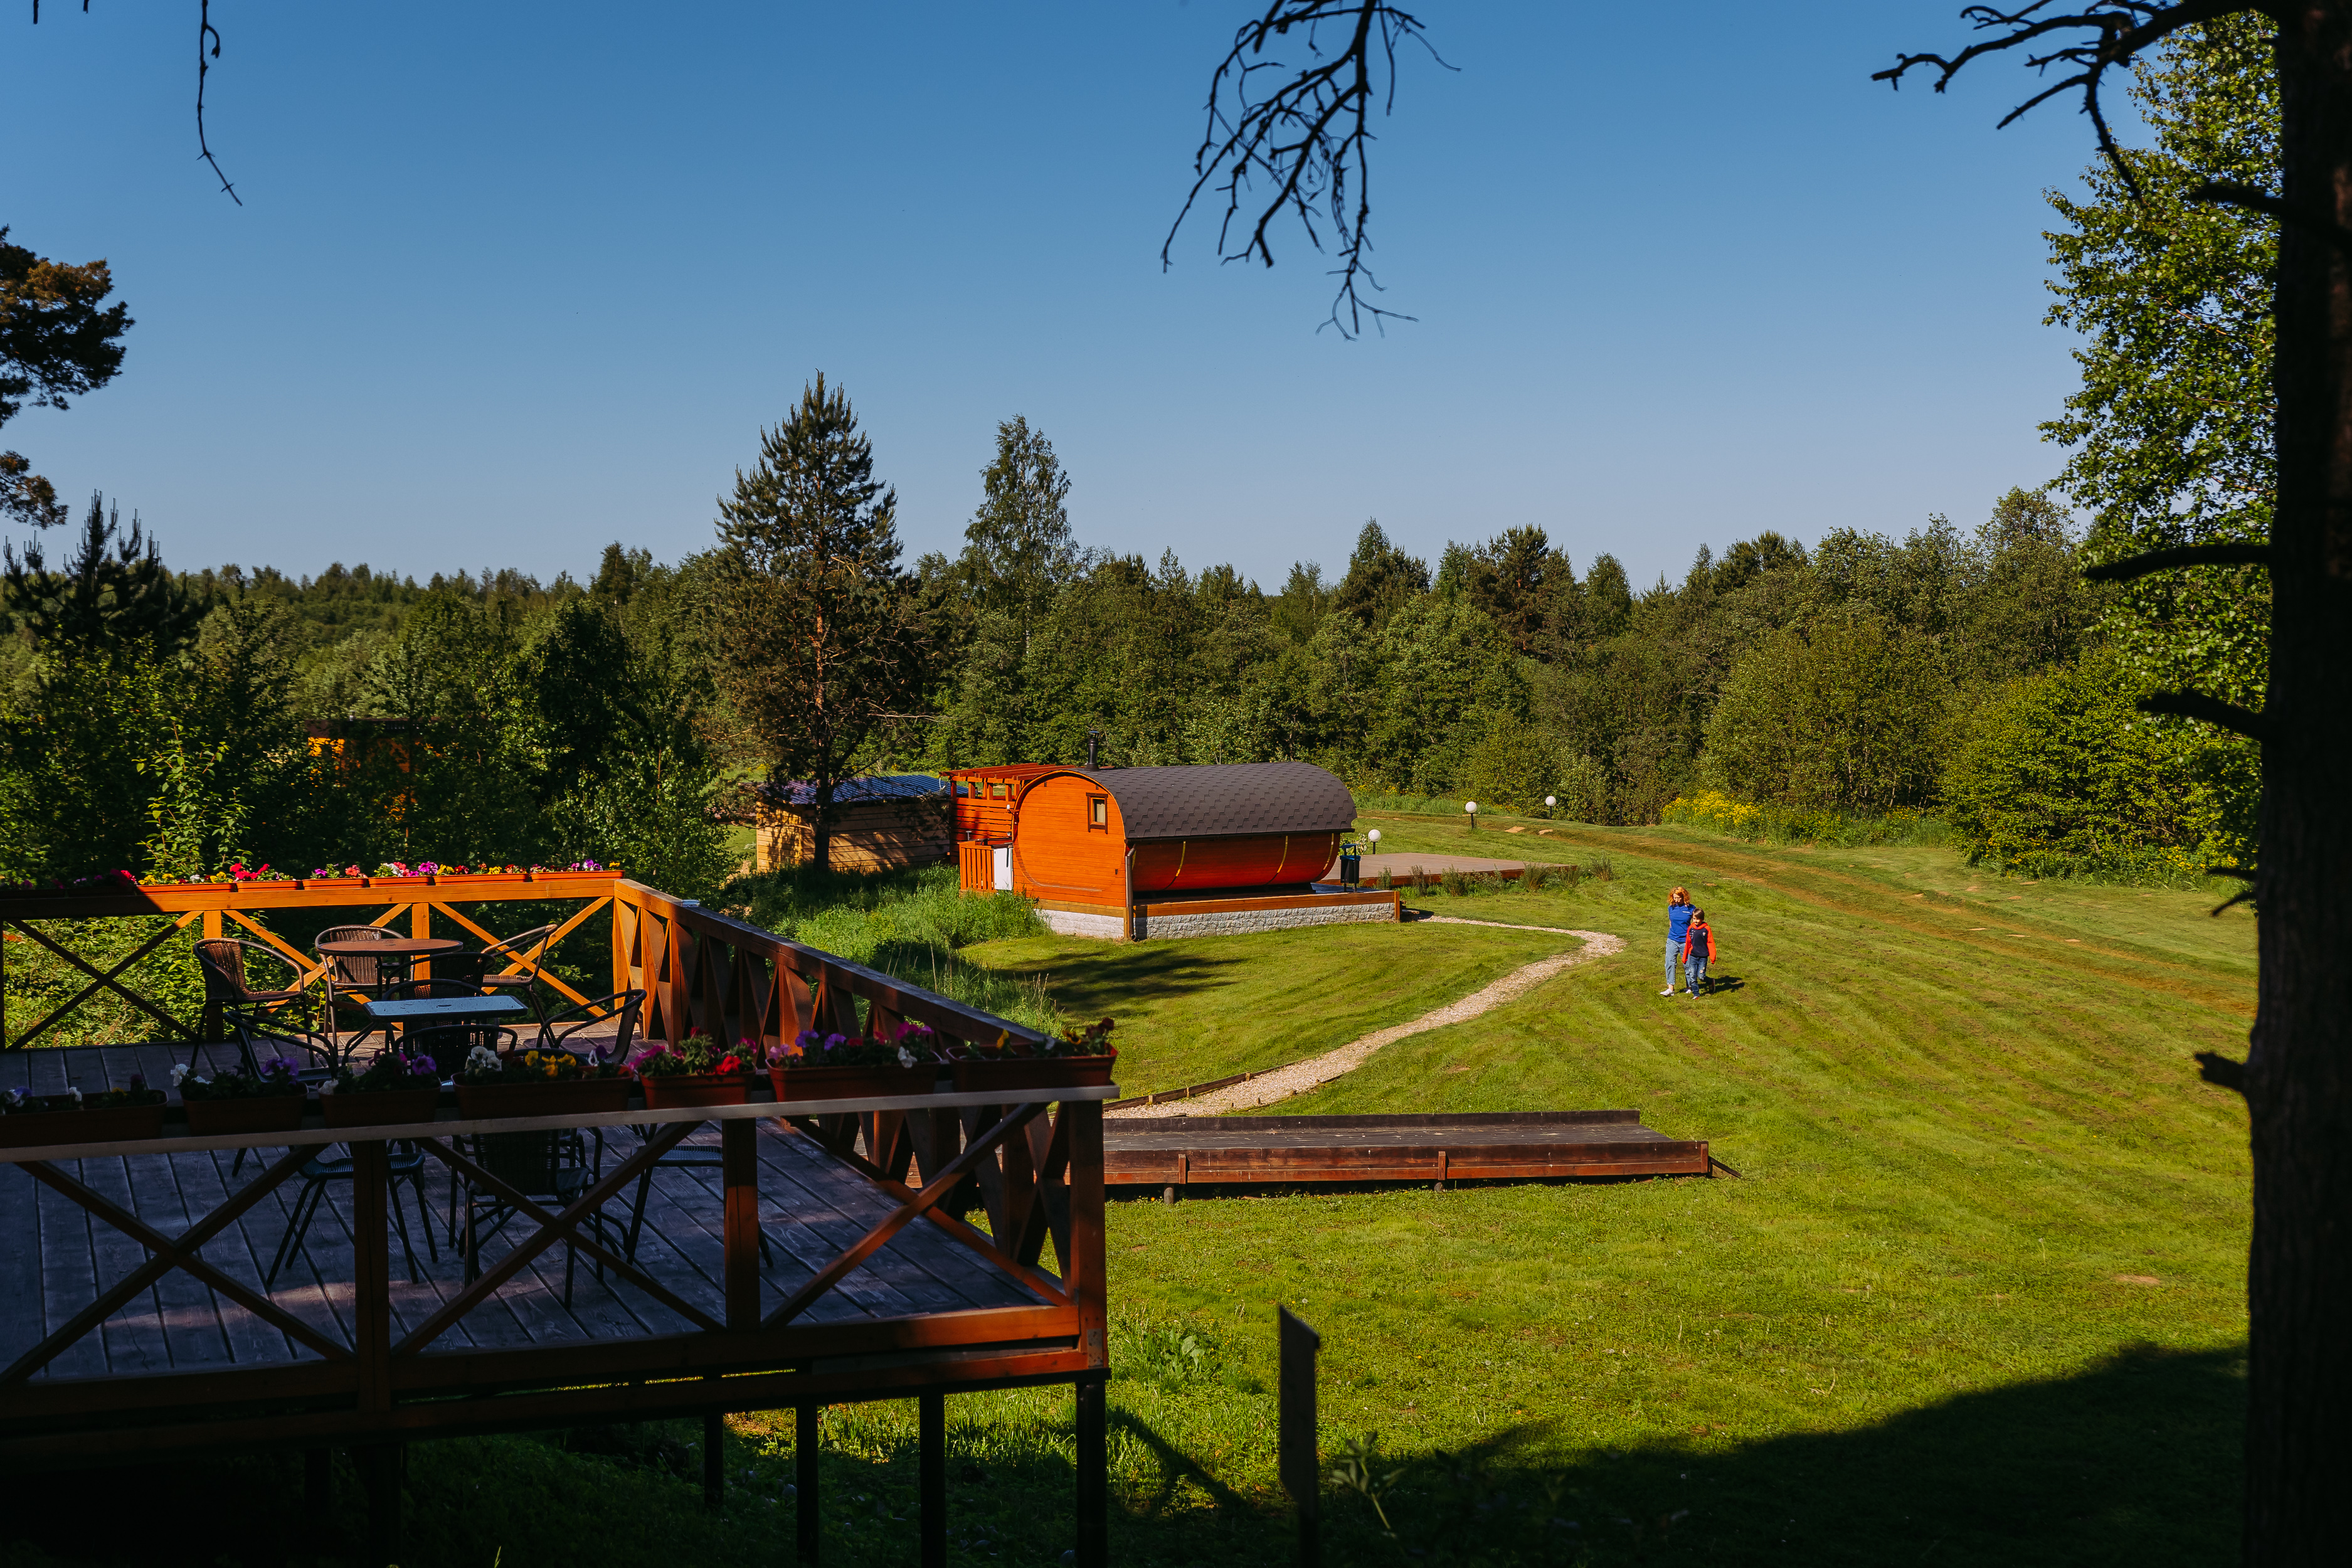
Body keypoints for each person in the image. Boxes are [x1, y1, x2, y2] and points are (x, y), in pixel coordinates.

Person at [1662, 886, 1695, 995]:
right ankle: (1671, 989)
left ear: (1684, 897)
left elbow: (1696, 925)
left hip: (1686, 941)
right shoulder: (1671, 908)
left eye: (1678, 898)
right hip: (1672, 939)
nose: (1676, 900)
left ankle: (1689, 986)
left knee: (1688, 964)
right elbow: (1671, 922)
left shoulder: (1691, 908)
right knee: (1670, 962)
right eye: (1674, 898)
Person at [1683, 906, 1714, 995]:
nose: (1696, 921)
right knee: (1692, 976)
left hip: (1703, 957)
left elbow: (1710, 943)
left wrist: (1712, 957)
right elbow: (1688, 943)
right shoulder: (1691, 929)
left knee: (1701, 976)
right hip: (1692, 955)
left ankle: (1711, 982)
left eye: (1698, 919)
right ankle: (1696, 994)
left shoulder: (1706, 929)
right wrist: (1685, 957)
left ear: (1702, 919)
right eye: (1694, 919)